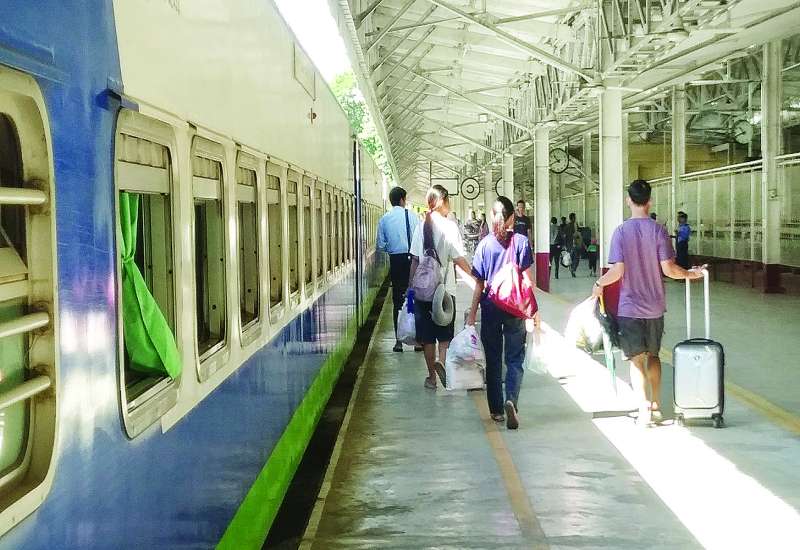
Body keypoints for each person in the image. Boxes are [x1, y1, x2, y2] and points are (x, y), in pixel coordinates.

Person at [591, 180, 705, 426]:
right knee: (653, 356)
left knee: (636, 360)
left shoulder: (621, 232)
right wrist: (690, 274)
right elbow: (669, 269)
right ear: (649, 201)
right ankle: (655, 405)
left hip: (630, 308)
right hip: (654, 307)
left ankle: (643, 409)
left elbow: (617, 271)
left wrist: (599, 283)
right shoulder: (659, 231)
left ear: (628, 201)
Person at [466, 196, 536, 430]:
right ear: (512, 217)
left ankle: (496, 411)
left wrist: (472, 314)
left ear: (491, 216)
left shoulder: (484, 245)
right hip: (515, 307)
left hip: (491, 308)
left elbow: (479, 284)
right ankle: (511, 400)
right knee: (514, 358)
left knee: (493, 359)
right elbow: (527, 281)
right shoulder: (522, 242)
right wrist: (533, 312)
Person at [409, 185, 473, 390]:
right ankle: (442, 362)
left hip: (422, 291)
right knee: (444, 334)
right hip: (445, 291)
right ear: (442, 201)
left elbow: (415, 260)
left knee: (427, 338)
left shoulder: (421, 226)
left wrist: (410, 292)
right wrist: (476, 276)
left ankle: (431, 378)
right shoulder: (450, 227)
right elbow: (459, 259)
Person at [377, 186, 420, 352]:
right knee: (412, 297)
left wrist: (392, 248)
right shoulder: (413, 217)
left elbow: (380, 245)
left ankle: (398, 342)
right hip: (412, 261)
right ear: (403, 200)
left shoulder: (384, 219)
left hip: (396, 261)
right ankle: (416, 340)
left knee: (397, 301)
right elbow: (420, 241)